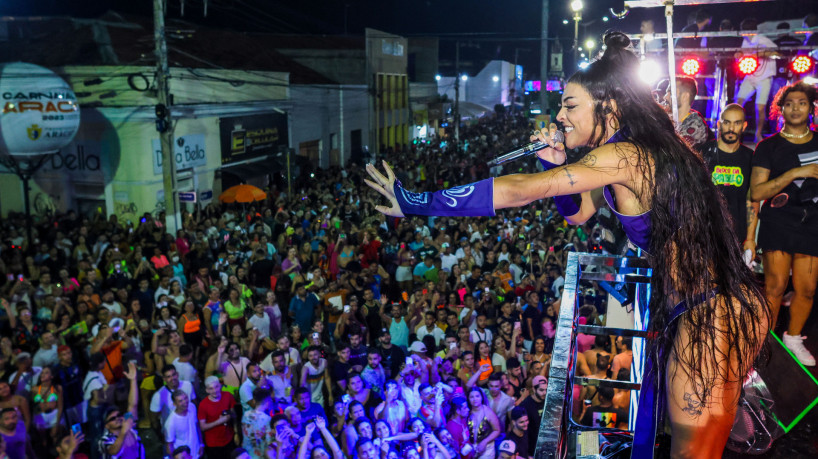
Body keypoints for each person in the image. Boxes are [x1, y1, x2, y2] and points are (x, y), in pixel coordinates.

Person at [365, 31, 768, 457]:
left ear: (608, 105)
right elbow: (577, 212)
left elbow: (521, 190)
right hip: (711, 306)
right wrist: (552, 162)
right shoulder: (626, 155)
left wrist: (418, 202)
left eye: (570, 105)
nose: (559, 116)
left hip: (711, 313)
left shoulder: (625, 155)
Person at [750, 81, 818, 366]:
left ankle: (793, 337)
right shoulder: (769, 146)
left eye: (802, 103)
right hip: (778, 222)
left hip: (812, 222)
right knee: (775, 286)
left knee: (807, 288)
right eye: (789, 104)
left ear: (811, 107)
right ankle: (762, 342)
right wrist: (797, 172)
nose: (795, 108)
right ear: (780, 110)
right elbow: (757, 192)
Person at [701, 103, 758, 255]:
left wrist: (750, 239)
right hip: (704, 235)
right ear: (719, 124)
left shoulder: (750, 158)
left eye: (737, 123)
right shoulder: (702, 153)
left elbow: (751, 201)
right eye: (727, 122)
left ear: (744, 126)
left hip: (736, 236)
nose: (731, 128)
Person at [735, 18, 779, 143]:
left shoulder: (762, 39)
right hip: (750, 76)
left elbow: (776, 52)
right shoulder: (746, 41)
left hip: (764, 78)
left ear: (748, 31)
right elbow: (742, 53)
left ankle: (758, 134)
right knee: (738, 103)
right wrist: (739, 54)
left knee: (759, 108)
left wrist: (759, 53)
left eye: (743, 31)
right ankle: (736, 131)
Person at [97, 363, 143, 459]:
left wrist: (133, 380)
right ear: (106, 425)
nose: (118, 418)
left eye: (119, 415)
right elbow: (113, 451)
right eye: (113, 418)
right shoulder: (104, 440)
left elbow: (132, 405)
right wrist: (123, 432)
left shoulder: (127, 423)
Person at [664, 77, 712, 152]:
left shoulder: (696, 126)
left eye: (671, 93)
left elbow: (674, 151)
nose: (665, 97)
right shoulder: (671, 120)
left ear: (685, 97)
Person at [197, 376, 238, 457]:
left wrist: (236, 433)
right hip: (214, 444)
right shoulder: (203, 405)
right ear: (207, 390)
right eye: (211, 388)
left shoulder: (228, 396)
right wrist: (219, 421)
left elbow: (234, 415)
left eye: (216, 387)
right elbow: (202, 427)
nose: (215, 391)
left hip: (229, 438)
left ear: (220, 386)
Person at [164, 390, 203, 459]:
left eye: (185, 398)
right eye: (180, 401)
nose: (185, 402)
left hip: (196, 452)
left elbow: (197, 426)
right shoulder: (170, 422)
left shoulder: (192, 406)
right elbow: (169, 445)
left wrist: (201, 444)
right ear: (174, 404)